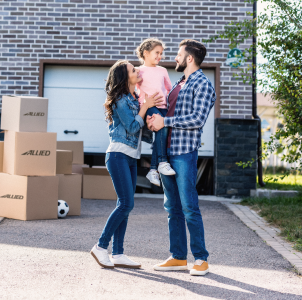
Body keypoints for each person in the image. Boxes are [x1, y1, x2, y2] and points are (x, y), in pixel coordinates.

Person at [147, 39, 216, 276]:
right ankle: (178, 257)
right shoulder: (178, 83)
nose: (174, 58)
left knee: (189, 206)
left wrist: (165, 121)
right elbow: (165, 113)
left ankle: (200, 259)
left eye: (178, 54)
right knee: (172, 207)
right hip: (165, 153)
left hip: (184, 152)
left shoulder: (203, 84)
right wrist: (154, 121)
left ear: (189, 58)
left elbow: (197, 119)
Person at [90, 60, 161, 269]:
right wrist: (145, 107)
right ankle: (101, 247)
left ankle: (118, 253)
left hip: (130, 157)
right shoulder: (121, 99)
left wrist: (151, 118)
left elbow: (142, 132)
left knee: (125, 206)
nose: (137, 71)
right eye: (133, 70)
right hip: (118, 155)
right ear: (125, 77)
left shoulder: (134, 98)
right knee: (126, 204)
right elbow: (131, 127)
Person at [135, 37, 176, 187]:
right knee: (160, 131)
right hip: (149, 106)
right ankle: (162, 162)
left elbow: (169, 90)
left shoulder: (163, 70)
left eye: (161, 54)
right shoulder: (138, 71)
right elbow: (133, 89)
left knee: (161, 133)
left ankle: (153, 169)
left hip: (163, 106)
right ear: (146, 53)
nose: (160, 56)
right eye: (156, 53)